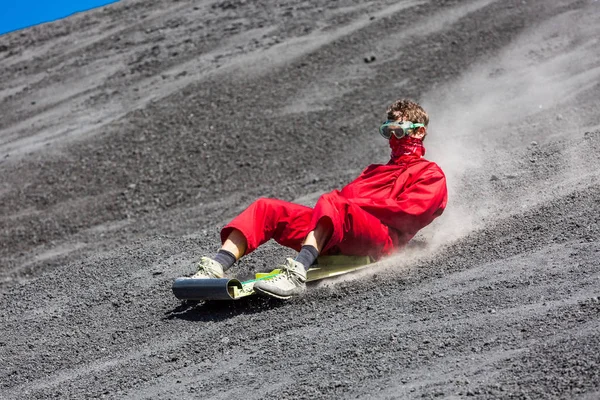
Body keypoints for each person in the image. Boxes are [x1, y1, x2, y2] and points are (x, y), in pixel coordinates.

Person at [191, 99, 448, 299]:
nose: (393, 139)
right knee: (266, 208)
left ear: (419, 132)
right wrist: (339, 209)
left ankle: (296, 274)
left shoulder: (430, 173)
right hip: (344, 230)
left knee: (332, 201)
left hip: (383, 242)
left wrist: (348, 206)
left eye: (399, 132)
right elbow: (344, 203)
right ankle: (214, 267)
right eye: (388, 132)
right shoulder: (373, 171)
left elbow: (410, 213)